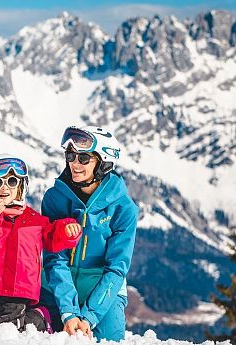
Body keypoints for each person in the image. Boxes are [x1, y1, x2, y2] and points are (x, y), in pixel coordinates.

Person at [0, 154, 82, 331]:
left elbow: (52, 237)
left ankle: (38, 317)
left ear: (21, 186)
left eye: (12, 182)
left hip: (18, 289)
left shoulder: (34, 220)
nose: (5, 188)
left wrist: (67, 230)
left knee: (6, 328)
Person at [40, 126, 139, 341]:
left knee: (109, 339)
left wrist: (89, 316)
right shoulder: (55, 199)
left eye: (84, 159)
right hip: (57, 286)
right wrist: (68, 311)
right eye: (71, 156)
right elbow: (55, 259)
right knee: (39, 335)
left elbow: (116, 269)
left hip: (102, 289)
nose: (74, 164)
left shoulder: (123, 208)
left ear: (103, 163)